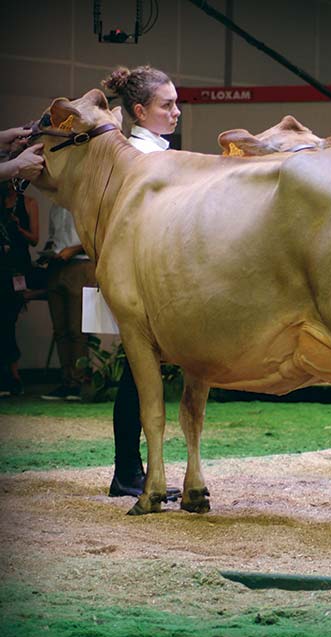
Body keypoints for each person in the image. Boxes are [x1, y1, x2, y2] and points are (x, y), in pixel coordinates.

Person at [101, 65, 181, 499]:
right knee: (137, 374)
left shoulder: (155, 151)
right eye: (166, 105)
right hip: (140, 277)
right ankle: (127, 473)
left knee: (141, 374)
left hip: (157, 275)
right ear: (139, 110)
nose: (176, 111)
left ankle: (132, 471)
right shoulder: (135, 156)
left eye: (175, 103)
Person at [39, 205, 94, 402]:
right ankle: (66, 381)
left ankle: (79, 382)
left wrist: (73, 249)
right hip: (56, 265)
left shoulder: (83, 201)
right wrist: (49, 251)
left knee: (76, 329)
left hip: (80, 264)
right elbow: (55, 236)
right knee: (60, 329)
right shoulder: (55, 206)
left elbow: (96, 236)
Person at [0, 179, 39, 397]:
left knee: (9, 321)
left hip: (17, 269)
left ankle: (13, 375)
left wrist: (18, 227)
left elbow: (35, 239)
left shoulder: (28, 203)